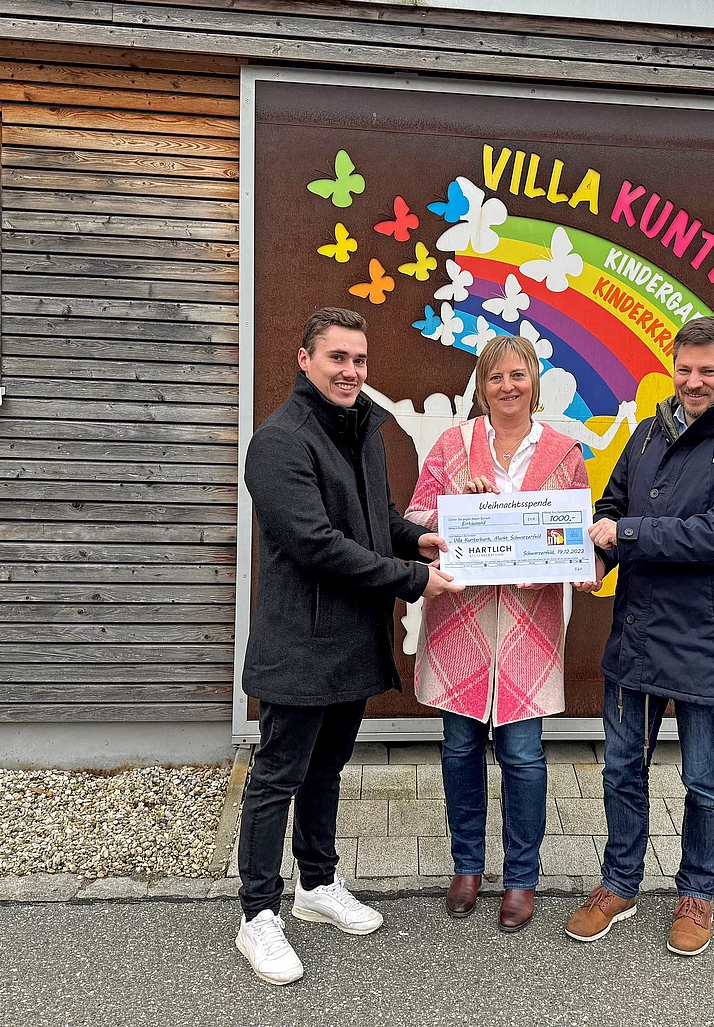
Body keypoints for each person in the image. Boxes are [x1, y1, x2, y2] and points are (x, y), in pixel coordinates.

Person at [236, 307, 460, 986]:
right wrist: (412, 578)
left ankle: (316, 884)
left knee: (327, 767)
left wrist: (414, 539)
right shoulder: (279, 442)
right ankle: (257, 914)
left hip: (352, 637)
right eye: (338, 358)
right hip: (299, 642)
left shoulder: (361, 428)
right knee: (278, 776)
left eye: (359, 360)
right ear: (304, 360)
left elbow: (371, 519)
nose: (351, 371)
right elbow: (316, 544)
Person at [565, 315, 714, 957]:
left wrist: (627, 536)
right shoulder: (649, 432)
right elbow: (612, 505)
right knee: (621, 768)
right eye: (683, 369)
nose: (693, 381)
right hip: (636, 632)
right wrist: (600, 556)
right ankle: (620, 883)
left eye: (707, 370)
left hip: (704, 638)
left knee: (703, 778)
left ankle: (696, 892)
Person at [405, 334, 601, 933]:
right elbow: (414, 517)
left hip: (527, 627)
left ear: (534, 382)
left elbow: (577, 532)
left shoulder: (564, 452)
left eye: (518, 375)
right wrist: (456, 507)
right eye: (496, 377)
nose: (508, 386)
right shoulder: (452, 445)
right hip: (460, 622)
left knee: (522, 754)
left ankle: (521, 876)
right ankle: (467, 866)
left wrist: (583, 563)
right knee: (460, 747)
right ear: (482, 386)